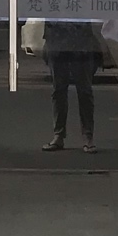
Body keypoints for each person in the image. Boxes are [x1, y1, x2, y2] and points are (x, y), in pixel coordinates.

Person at [41, 18, 103, 153]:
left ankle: (87, 136)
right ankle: (59, 135)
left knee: (84, 91)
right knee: (59, 90)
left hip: (81, 44)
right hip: (58, 43)